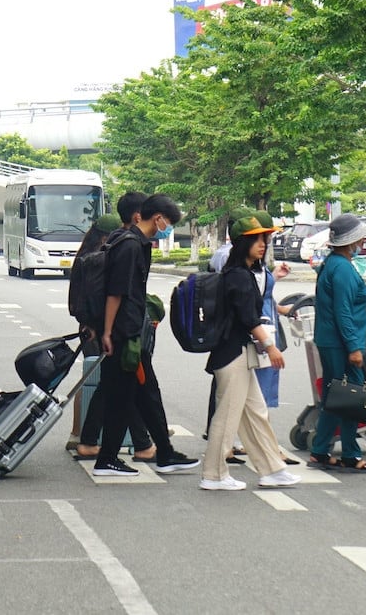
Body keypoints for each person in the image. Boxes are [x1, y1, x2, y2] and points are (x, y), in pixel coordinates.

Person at [93, 193, 199, 477]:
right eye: (168, 223)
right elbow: (117, 293)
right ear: (157, 218)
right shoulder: (130, 246)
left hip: (128, 333)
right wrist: (107, 332)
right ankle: (109, 459)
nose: (168, 228)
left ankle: (162, 452)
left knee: (143, 394)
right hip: (123, 336)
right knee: (127, 397)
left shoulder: (130, 241)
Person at [199, 214, 301, 491]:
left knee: (255, 412)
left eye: (264, 239)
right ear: (242, 243)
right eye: (255, 240)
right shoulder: (238, 277)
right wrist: (271, 347)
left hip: (240, 352)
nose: (262, 244)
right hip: (232, 354)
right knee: (227, 415)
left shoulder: (243, 274)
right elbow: (248, 318)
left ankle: (271, 469)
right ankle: (214, 475)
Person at [69, 213, 153, 461]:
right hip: (108, 332)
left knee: (105, 385)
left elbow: (78, 301)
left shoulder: (84, 258)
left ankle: (87, 438)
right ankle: (142, 442)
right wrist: (105, 329)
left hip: (92, 331)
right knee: (120, 385)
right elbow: (111, 297)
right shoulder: (103, 259)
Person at [307, 213, 366, 473]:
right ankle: (350, 453)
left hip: (332, 341)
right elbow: (343, 312)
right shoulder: (342, 269)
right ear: (352, 241)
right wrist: (353, 347)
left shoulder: (334, 264)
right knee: (351, 397)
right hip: (341, 343)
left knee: (335, 397)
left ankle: (320, 449)